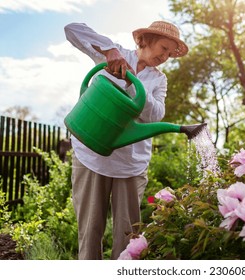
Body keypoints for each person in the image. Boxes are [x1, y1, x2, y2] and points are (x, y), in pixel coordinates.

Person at [64, 21, 188, 260]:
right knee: (90, 232)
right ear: (146, 40)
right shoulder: (113, 55)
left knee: (127, 236)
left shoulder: (159, 80)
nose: (165, 56)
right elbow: (72, 30)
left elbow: (156, 115)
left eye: (170, 54)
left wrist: (134, 83)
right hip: (92, 156)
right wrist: (108, 49)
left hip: (131, 164)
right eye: (163, 48)